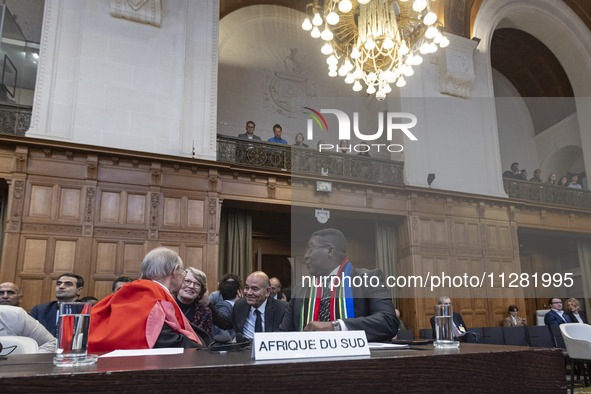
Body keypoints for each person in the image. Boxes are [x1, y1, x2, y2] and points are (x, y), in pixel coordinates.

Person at [279, 229, 398, 342]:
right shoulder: (300, 290)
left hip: (354, 361)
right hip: (308, 361)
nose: (306, 256)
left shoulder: (368, 278)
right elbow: (283, 334)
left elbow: (388, 321)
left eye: (310, 249)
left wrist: (336, 326)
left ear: (330, 251)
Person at [88, 247, 203, 351]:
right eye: (183, 272)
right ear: (174, 270)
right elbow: (162, 339)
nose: (183, 276)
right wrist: (202, 351)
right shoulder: (153, 296)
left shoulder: (134, 290)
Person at [232, 271, 288, 339]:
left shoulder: (282, 308)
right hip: (245, 348)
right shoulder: (239, 306)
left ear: (267, 291)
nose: (249, 293)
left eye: (255, 289)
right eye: (246, 287)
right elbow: (226, 324)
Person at [175, 267, 213, 336]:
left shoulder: (205, 312)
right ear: (179, 282)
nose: (192, 286)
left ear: (201, 290)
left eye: (197, 284)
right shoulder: (166, 305)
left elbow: (206, 340)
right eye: (187, 281)